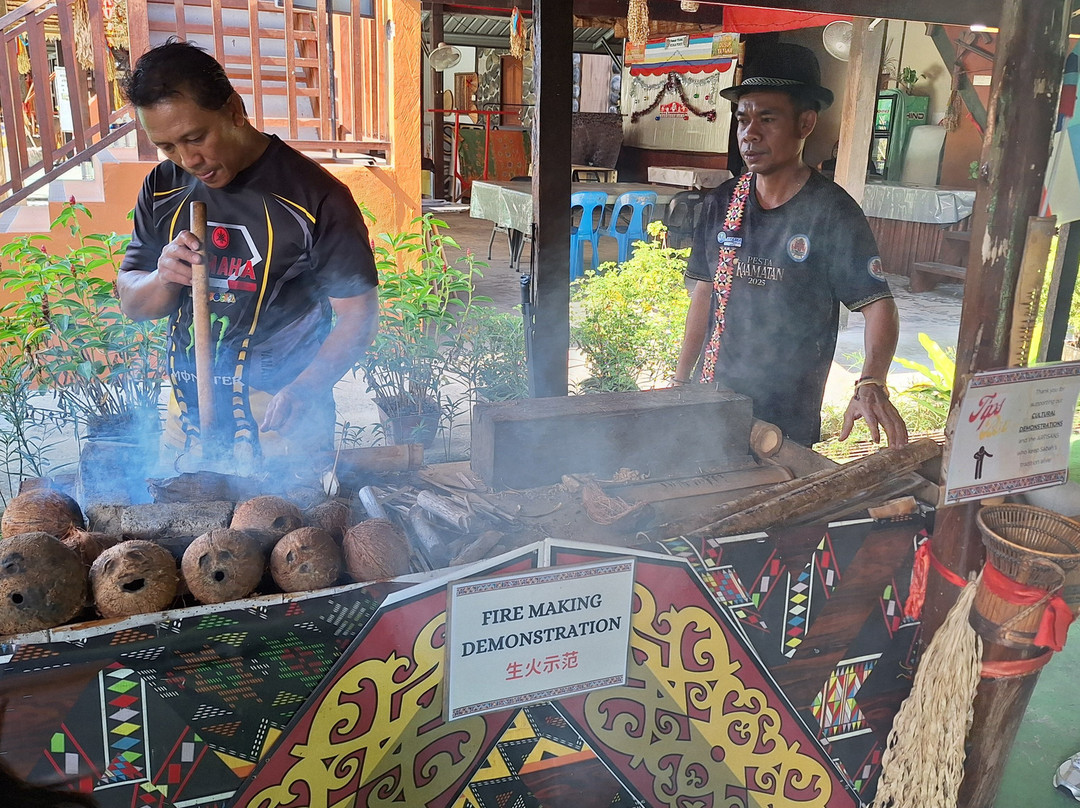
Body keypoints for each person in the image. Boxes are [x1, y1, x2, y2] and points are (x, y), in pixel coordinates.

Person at [117, 40, 379, 463]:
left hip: (280, 419)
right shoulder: (162, 187)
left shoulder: (316, 196)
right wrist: (161, 276)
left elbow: (358, 315)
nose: (188, 160)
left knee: (285, 527)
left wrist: (307, 388)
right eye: (167, 147)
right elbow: (133, 302)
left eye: (196, 137)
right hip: (186, 419)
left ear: (234, 110)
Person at [673, 43, 908, 448]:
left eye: (768, 119)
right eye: (743, 119)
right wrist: (679, 383)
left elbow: (878, 304)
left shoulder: (832, 212)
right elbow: (705, 293)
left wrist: (871, 381)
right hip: (714, 398)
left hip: (789, 415)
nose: (750, 134)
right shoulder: (721, 203)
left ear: (805, 123)